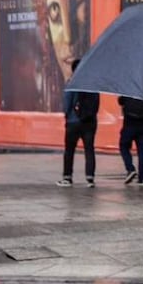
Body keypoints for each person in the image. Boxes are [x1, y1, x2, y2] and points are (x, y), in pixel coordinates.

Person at [58, 58, 99, 187]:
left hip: (73, 122)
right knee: (89, 149)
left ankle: (67, 177)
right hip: (89, 122)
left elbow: (67, 104)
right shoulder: (92, 84)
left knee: (69, 150)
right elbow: (96, 104)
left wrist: (67, 116)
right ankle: (90, 178)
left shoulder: (71, 83)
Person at [117, 96, 143, 185]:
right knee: (142, 150)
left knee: (123, 146)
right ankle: (142, 178)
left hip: (129, 124)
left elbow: (121, 101)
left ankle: (130, 169)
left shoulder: (130, 88)